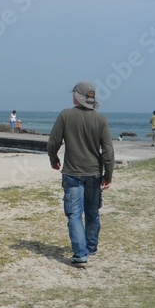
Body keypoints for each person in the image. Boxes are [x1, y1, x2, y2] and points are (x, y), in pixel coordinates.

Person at [47, 82, 115, 269]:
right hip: (94, 173)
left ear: (77, 97)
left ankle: (80, 254)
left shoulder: (66, 115)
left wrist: (53, 159)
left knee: (75, 214)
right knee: (92, 212)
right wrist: (108, 175)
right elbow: (108, 151)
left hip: (72, 174)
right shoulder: (101, 120)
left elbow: (53, 142)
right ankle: (90, 247)